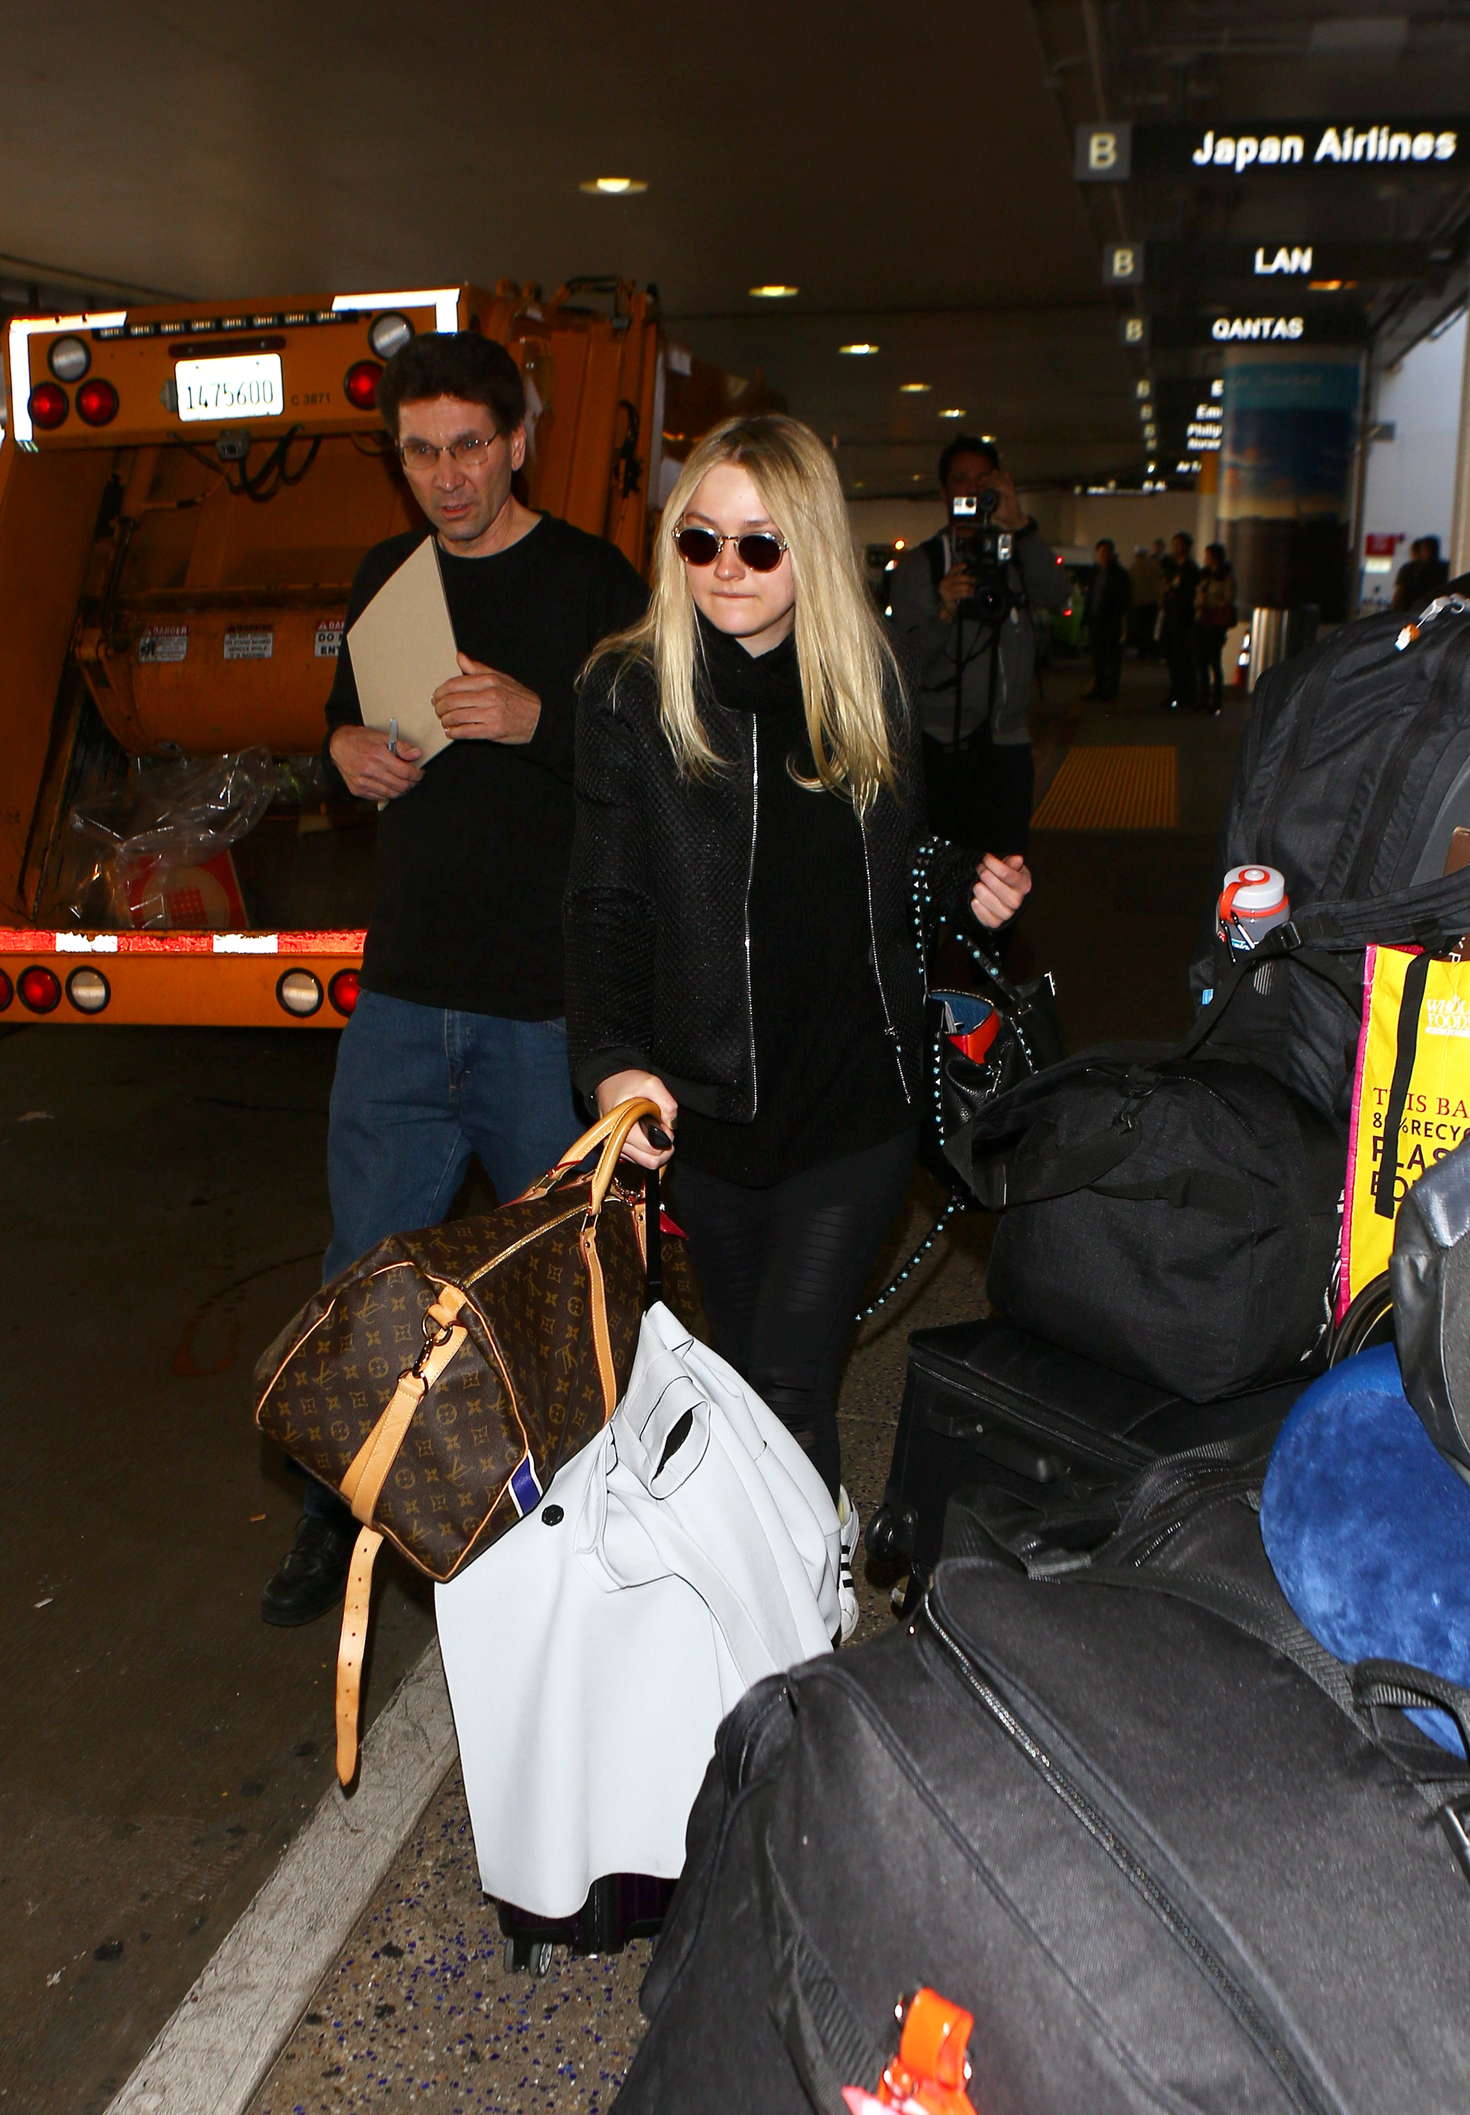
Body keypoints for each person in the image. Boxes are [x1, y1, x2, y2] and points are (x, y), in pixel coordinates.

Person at [564, 414, 1030, 1626]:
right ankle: (799, 1555)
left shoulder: (862, 680)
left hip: (853, 1106)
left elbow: (885, 865)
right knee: (740, 1365)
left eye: (758, 547)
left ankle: (798, 1630)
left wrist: (959, 874)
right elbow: (607, 901)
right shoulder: (630, 694)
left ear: (809, 549)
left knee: (788, 1378)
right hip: (707, 1117)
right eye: (700, 541)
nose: (724, 569)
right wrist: (614, 1061)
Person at [261, 331, 646, 1626]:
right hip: (406, 994)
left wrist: (543, 720)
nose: (447, 476)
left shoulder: (592, 578)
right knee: (365, 1270)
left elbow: (658, 757)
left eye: (468, 446)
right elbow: (340, 723)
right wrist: (345, 747)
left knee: (549, 1279)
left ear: (518, 439)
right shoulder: (391, 575)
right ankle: (339, 1515)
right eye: (419, 452)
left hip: (544, 1002)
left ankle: (567, 1534)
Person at [886, 434, 1067, 853]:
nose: (969, 490)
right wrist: (942, 609)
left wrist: (1019, 523)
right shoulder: (920, 567)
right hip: (940, 746)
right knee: (942, 874)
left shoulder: (1015, 554)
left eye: (980, 480)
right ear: (944, 491)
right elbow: (904, 667)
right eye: (959, 480)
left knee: (1004, 874)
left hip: (1007, 744)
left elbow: (1058, 595)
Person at [1083, 539, 1131, 701]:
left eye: (1105, 552)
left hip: (1111, 621)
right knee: (1097, 657)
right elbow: (1090, 597)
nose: (1102, 556)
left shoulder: (1120, 575)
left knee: (1111, 657)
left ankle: (1110, 690)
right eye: (1100, 552)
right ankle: (1098, 686)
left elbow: (1124, 600)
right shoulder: (1095, 573)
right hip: (1096, 620)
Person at [1160, 530, 1201, 712]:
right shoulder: (1173, 568)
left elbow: (1186, 593)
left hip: (1183, 620)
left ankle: (1185, 695)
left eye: (1178, 545)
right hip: (1172, 617)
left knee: (1183, 658)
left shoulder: (1190, 569)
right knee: (1173, 658)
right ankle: (1176, 693)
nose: (1175, 548)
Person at [1193, 542, 1236, 714]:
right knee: (1201, 662)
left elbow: (1228, 598)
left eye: (1208, 555)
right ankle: (1202, 698)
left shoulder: (1226, 577)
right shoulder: (1205, 575)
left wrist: (1213, 602)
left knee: (1214, 662)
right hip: (1201, 620)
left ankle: (1216, 700)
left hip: (1215, 623)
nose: (1205, 558)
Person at [1393, 534, 1451, 611]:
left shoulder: (1410, 568)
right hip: (1436, 607)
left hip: (1413, 608)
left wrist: (1395, 607)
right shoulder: (1446, 567)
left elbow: (1400, 591)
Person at [1127, 542, 1163, 657]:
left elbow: (1130, 585)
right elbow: (1160, 580)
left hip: (1138, 602)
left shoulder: (1133, 567)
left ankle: (1142, 650)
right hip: (1152, 602)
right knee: (1150, 627)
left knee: (1140, 627)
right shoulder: (1154, 566)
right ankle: (1150, 649)